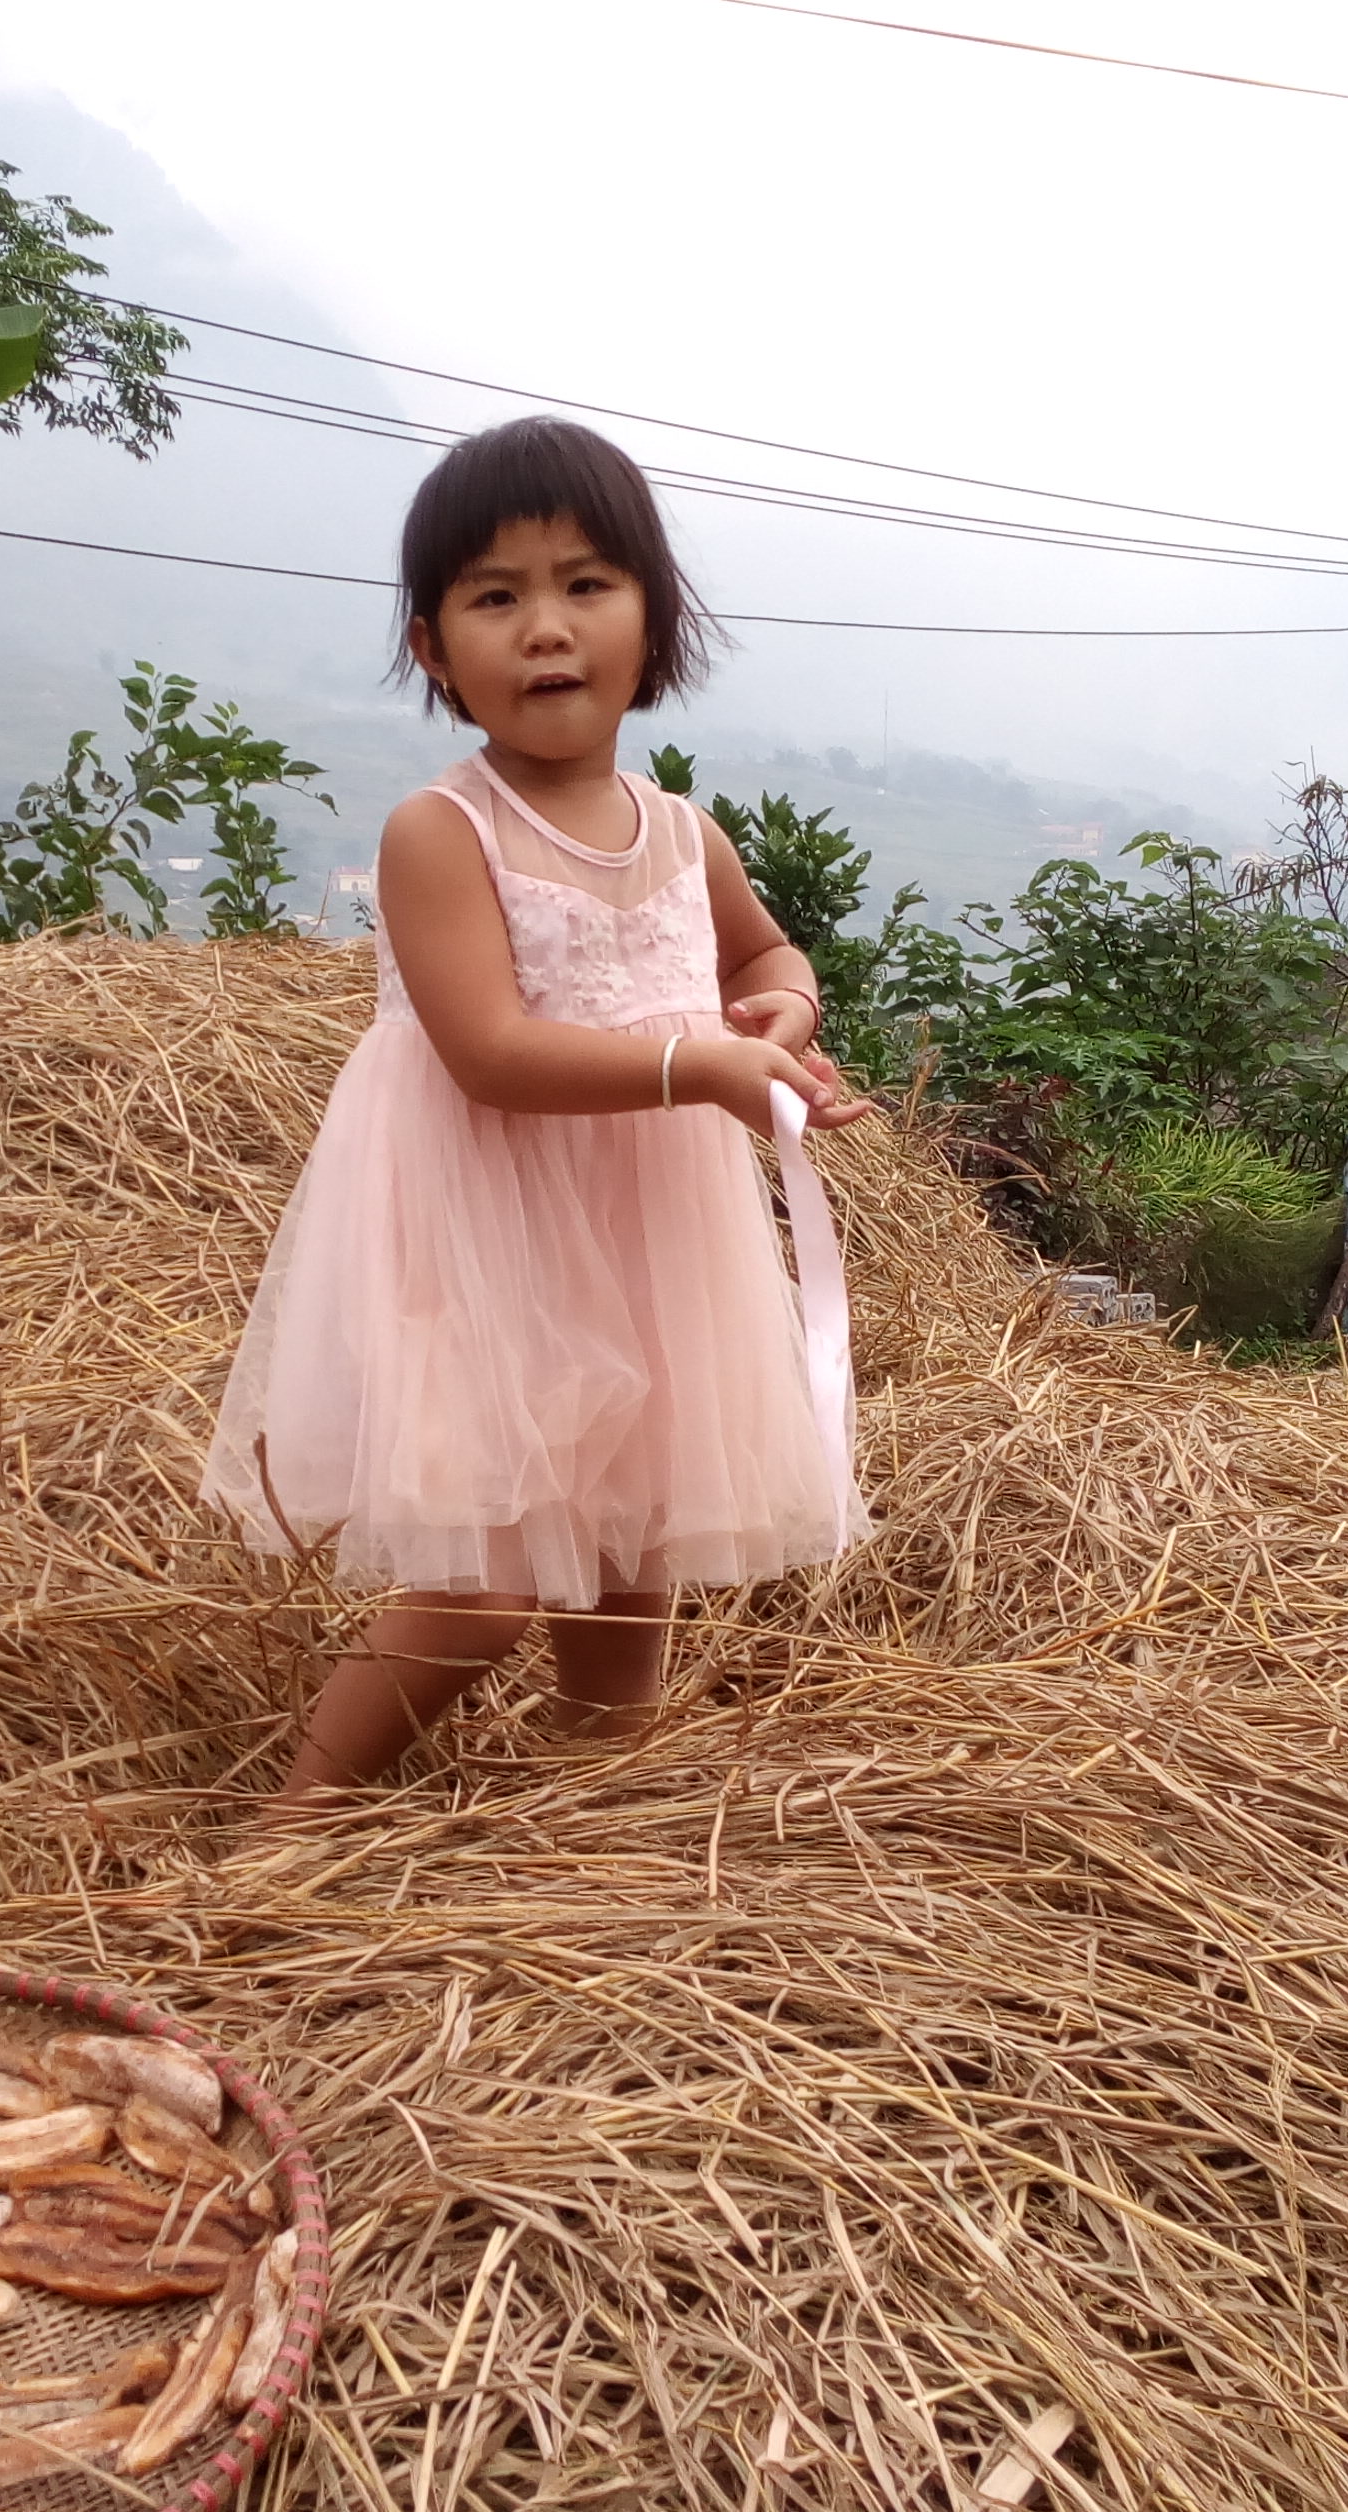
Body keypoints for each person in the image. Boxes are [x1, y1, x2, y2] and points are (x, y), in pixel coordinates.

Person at [203, 417, 873, 1806]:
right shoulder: (442, 831)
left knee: (639, 1532)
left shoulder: (683, 832)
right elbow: (490, 1053)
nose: (546, 627)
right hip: (483, 1225)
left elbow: (766, 954)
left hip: (649, 1231)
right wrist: (702, 1068)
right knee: (488, 1575)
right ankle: (296, 1820)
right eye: (496, 596)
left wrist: (781, 1015)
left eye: (585, 584)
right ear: (435, 649)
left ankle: (596, 1781)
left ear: (654, 618)